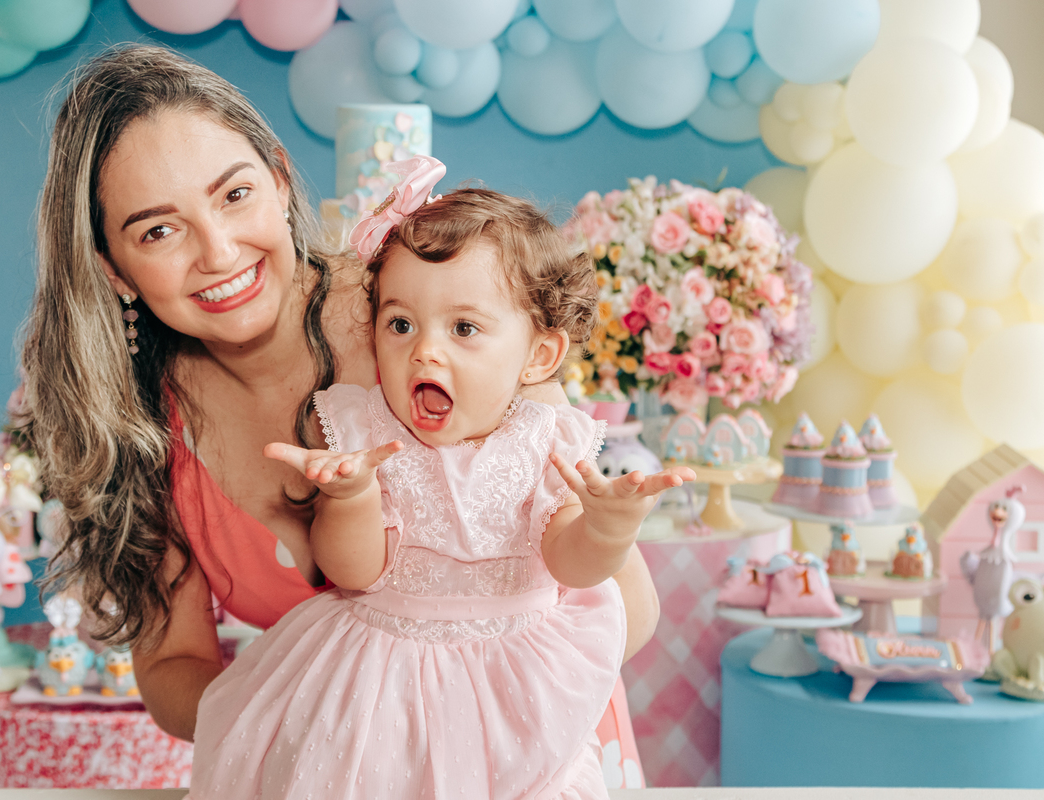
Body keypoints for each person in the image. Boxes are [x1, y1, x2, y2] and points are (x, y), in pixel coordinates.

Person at [18, 44, 659, 773]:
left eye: (234, 195)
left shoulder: (430, 312)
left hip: (534, 749)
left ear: (281, 181)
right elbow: (171, 670)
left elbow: (629, 611)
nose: (219, 251)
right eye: (158, 230)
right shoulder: (138, 427)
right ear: (113, 268)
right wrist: (327, 724)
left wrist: (454, 723)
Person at [190, 156, 693, 799]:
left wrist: (608, 527)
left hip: (512, 677)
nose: (425, 350)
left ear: (537, 355)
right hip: (381, 677)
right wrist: (351, 497)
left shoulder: (545, 441)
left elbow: (569, 562)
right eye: (401, 324)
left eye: (464, 328)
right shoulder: (366, 433)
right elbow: (353, 572)